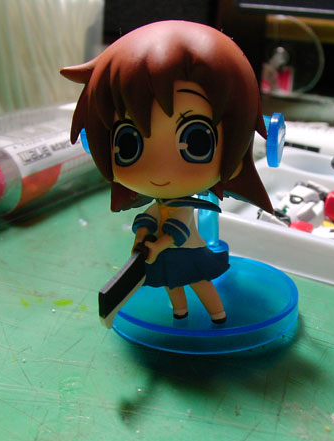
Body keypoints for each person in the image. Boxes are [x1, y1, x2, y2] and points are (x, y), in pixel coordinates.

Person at [61, 20, 272, 323]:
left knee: (199, 282)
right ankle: (180, 313)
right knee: (173, 284)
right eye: (128, 143)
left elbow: (178, 229)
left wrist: (157, 244)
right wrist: (141, 236)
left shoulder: (183, 205)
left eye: (196, 140)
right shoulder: (162, 201)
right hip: (165, 254)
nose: (159, 169)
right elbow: (151, 216)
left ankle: (218, 314)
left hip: (186, 251)